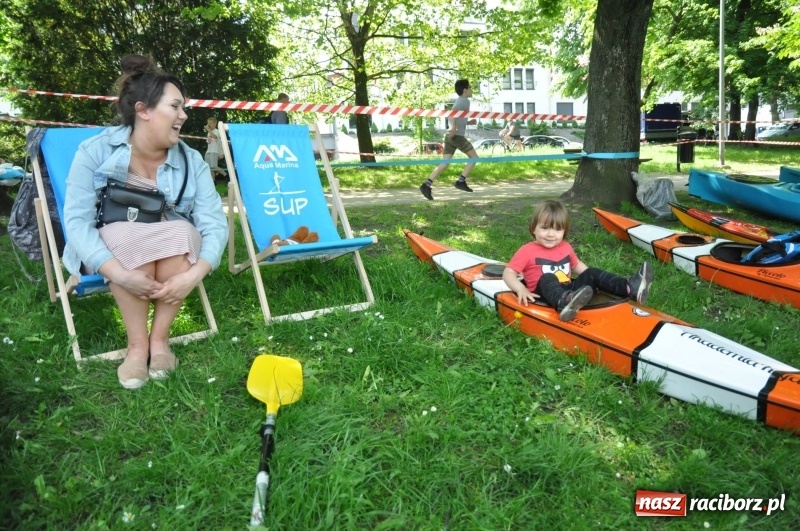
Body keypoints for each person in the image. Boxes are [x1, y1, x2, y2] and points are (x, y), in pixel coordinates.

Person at [63, 54, 228, 390]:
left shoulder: (191, 160)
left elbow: (213, 222)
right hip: (114, 253)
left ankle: (160, 341)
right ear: (143, 110)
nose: (184, 115)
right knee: (123, 234)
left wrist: (195, 274)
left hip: (172, 255)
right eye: (176, 106)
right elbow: (78, 221)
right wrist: (118, 273)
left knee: (182, 229)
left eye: (184, 108)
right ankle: (137, 346)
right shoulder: (94, 151)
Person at [502, 200, 654, 321]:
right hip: (544, 294)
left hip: (570, 291)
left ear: (564, 232)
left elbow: (577, 266)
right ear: (533, 228)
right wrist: (520, 289)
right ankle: (564, 304)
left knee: (592, 271)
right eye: (545, 228)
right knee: (547, 277)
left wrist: (594, 281)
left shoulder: (565, 247)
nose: (550, 234)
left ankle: (629, 288)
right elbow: (508, 273)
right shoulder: (527, 250)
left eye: (557, 230)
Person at [419, 79, 479, 200]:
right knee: (474, 158)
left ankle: (426, 185)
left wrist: (468, 122)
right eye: (470, 87)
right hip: (457, 136)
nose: (472, 89)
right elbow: (452, 114)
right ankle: (461, 181)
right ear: (465, 90)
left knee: (445, 164)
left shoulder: (461, 101)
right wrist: (453, 127)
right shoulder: (464, 101)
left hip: (450, 136)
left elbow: (458, 117)